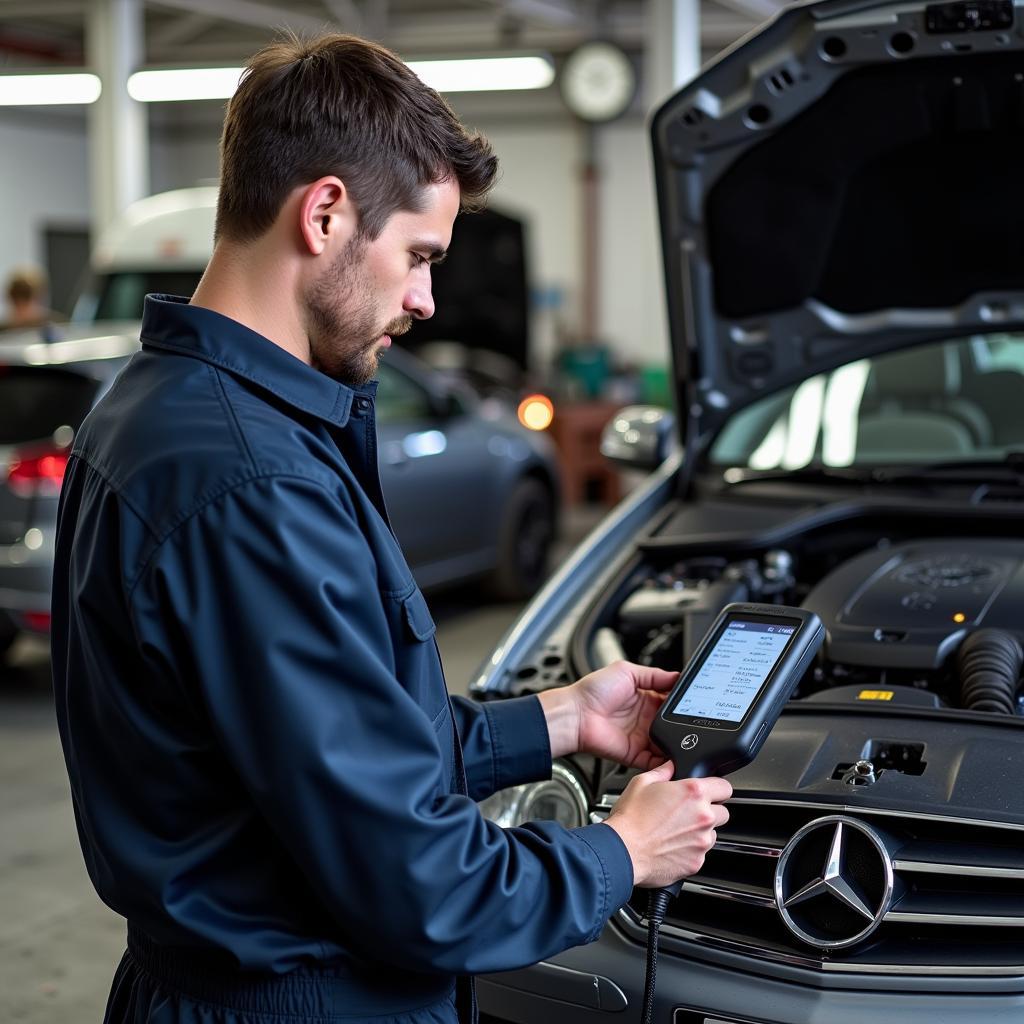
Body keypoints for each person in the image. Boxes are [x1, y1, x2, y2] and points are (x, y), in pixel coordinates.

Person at [51, 32, 732, 1024]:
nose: (424, 298)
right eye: (417, 255)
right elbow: (421, 883)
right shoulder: (251, 483)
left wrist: (561, 719)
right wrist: (622, 849)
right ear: (325, 214)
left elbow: (326, 750)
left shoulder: (156, 409)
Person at [2, 264, 59, 330]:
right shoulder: (4, 329)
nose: (21, 304)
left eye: (25, 296)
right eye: (15, 297)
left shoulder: (56, 325)